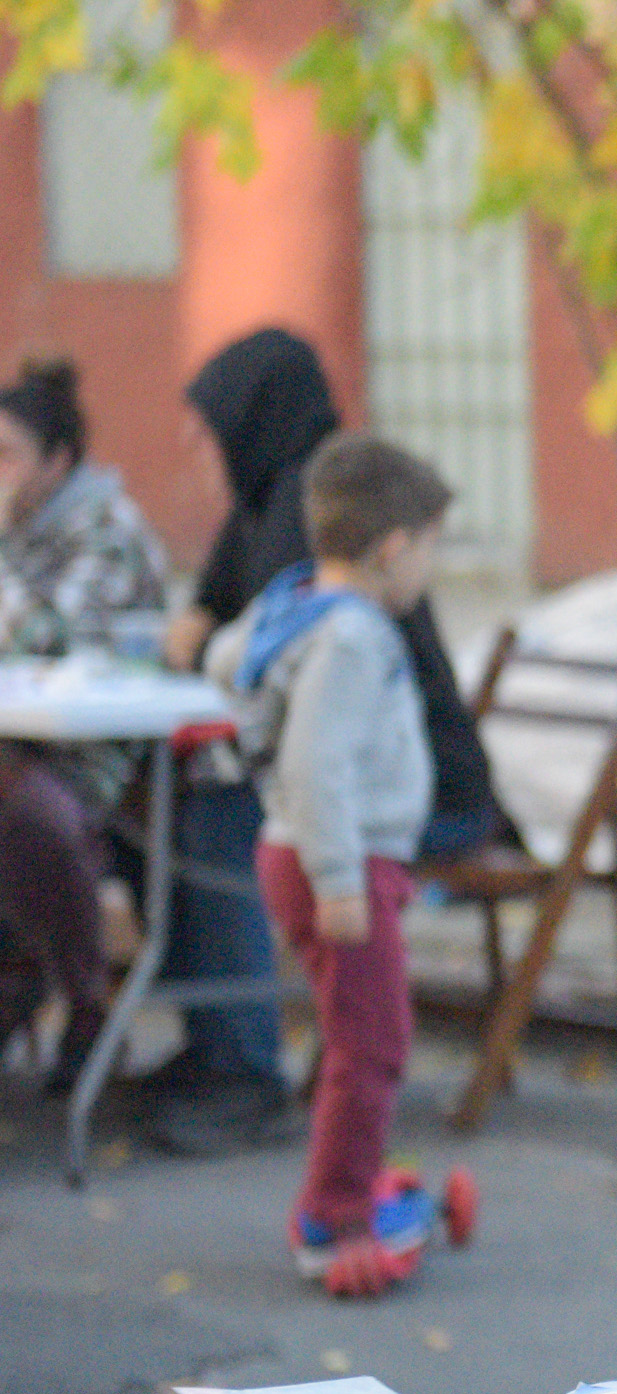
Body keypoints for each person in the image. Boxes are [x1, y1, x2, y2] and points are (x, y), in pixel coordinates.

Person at [144, 330, 511, 1152]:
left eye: (210, 430)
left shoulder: (318, 509)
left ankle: (244, 1069)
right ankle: (218, 1046)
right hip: (344, 791)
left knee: (220, 819)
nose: (199, 452)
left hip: (415, 800)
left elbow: (257, 661)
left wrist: (202, 644)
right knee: (178, 811)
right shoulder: (273, 501)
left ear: (252, 419)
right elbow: (216, 611)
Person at [207, 435, 474, 1297]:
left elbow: (222, 658)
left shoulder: (297, 604)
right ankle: (334, 1214)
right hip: (339, 860)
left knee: (361, 1033)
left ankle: (347, 1184)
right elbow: (316, 764)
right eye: (431, 550)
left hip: (314, 851)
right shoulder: (357, 636)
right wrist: (340, 882)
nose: (428, 572)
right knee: (372, 1043)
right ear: (394, 549)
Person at [0, 358, 172, 1092]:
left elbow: (50, 641)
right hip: (16, 737)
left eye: (6, 454)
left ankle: (84, 996)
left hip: (90, 747)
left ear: (58, 460)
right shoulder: (21, 522)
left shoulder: (105, 527)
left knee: (30, 814)